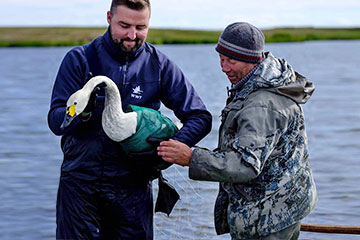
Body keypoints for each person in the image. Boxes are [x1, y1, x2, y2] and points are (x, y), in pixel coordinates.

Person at [47, 0, 212, 239]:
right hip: (80, 187)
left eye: (141, 27)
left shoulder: (159, 65)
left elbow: (200, 117)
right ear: (108, 18)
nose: (132, 35)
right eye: (124, 25)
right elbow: (55, 121)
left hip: (133, 190)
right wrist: (81, 114)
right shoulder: (79, 60)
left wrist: (166, 149)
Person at [158, 22, 317, 240]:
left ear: (254, 60)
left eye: (231, 61)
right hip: (284, 208)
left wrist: (191, 158)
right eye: (221, 59)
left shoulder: (261, 104)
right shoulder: (264, 81)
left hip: (269, 217)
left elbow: (245, 165)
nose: (224, 67)